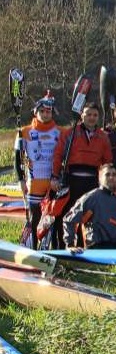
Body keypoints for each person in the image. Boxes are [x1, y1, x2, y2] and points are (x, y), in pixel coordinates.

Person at [51, 102, 113, 247]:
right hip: (71, 180)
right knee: (66, 214)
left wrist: (107, 181)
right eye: (88, 114)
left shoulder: (103, 136)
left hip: (92, 181)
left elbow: (107, 161)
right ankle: (62, 245)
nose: (91, 118)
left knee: (88, 215)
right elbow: (58, 155)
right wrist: (54, 176)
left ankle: (83, 245)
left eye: (95, 115)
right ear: (81, 115)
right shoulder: (70, 133)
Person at [15, 94, 61, 244]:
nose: (45, 114)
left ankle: (55, 248)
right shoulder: (25, 131)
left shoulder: (60, 132)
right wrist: (21, 179)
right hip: (34, 183)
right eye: (42, 111)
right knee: (35, 219)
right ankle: (33, 247)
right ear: (36, 112)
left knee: (54, 219)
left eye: (48, 111)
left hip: (53, 181)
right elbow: (17, 158)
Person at [62, 163, 116, 252]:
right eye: (107, 175)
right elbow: (69, 220)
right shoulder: (92, 197)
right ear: (100, 178)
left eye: (114, 174)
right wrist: (70, 245)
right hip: (96, 248)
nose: (111, 177)